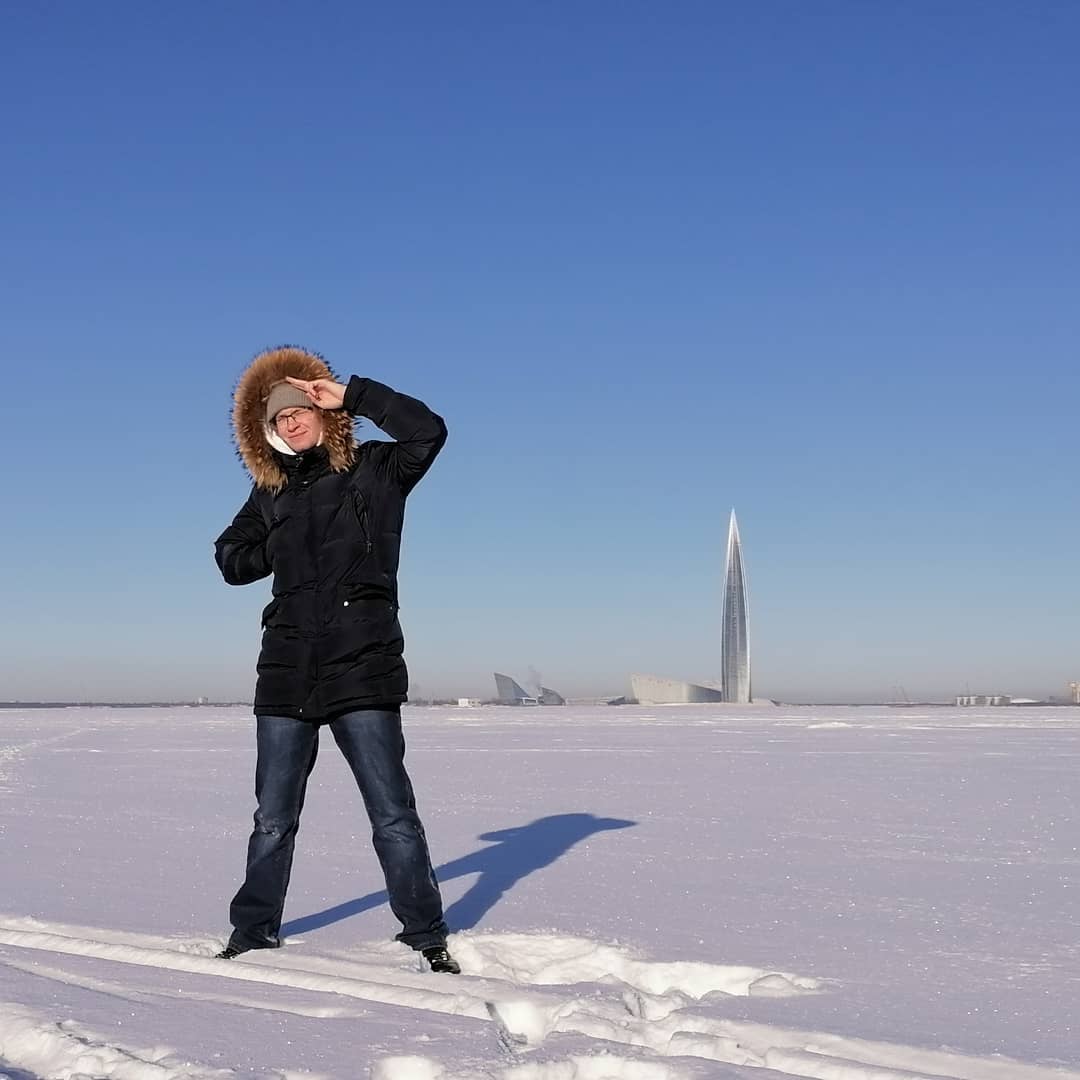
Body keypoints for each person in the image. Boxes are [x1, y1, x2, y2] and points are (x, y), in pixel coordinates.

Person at [213, 345, 459, 974]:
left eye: (299, 409)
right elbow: (230, 560)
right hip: (287, 669)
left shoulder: (378, 470)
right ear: (266, 433)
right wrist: (274, 539)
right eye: (278, 419)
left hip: (364, 665)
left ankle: (424, 932)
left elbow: (429, 431)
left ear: (322, 409)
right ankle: (253, 931)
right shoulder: (269, 492)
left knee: (392, 811)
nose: (291, 422)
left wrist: (354, 394)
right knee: (273, 817)